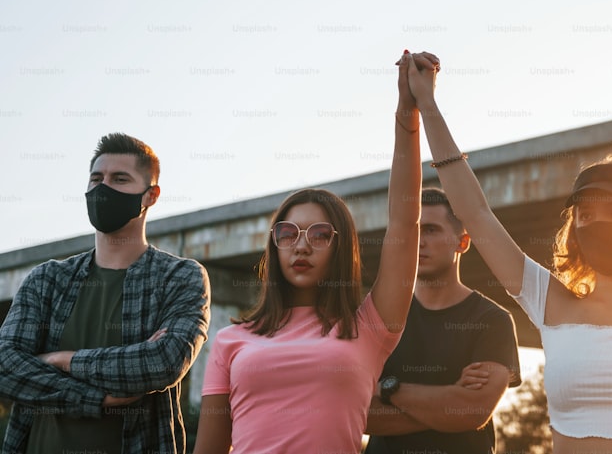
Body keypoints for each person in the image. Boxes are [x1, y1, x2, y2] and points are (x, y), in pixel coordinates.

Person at [405, 52, 612, 454]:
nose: (599, 225)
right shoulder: (551, 304)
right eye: (586, 215)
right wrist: (428, 106)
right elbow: (474, 211)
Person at [192, 51, 423, 454]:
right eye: (288, 233)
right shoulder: (231, 340)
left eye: (319, 234)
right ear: (275, 244)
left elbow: (404, 223)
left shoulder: (368, 328)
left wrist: (408, 114)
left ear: (341, 247)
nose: (301, 244)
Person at [0, 132, 212, 454]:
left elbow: (163, 362)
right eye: (96, 178)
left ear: (150, 196)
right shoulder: (47, 279)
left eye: (120, 179)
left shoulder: (179, 277)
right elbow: (5, 365)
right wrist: (96, 398)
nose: (103, 188)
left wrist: (62, 360)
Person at [364, 187, 522, 454]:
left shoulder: (492, 320)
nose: (418, 241)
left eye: (430, 230)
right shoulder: (377, 316)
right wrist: (448, 408)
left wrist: (386, 389)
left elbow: (473, 411)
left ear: (462, 242)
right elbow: (358, 413)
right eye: (413, 231)